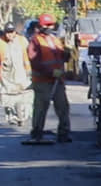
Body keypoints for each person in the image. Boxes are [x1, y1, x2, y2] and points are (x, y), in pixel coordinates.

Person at [26, 13, 71, 143]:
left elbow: (61, 56)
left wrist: (67, 53)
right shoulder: (35, 41)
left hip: (58, 80)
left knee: (63, 106)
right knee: (41, 108)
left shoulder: (55, 39)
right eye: (47, 25)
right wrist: (51, 72)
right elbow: (35, 62)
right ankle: (37, 132)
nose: (50, 27)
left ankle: (64, 133)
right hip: (42, 82)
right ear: (40, 26)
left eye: (51, 25)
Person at [0, 23, 32, 127]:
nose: (9, 35)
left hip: (21, 74)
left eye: (11, 32)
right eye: (7, 33)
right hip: (6, 76)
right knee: (8, 99)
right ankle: (11, 116)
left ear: (15, 32)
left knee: (23, 97)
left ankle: (22, 116)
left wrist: (30, 71)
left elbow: (29, 55)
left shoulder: (22, 41)